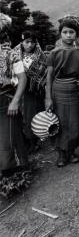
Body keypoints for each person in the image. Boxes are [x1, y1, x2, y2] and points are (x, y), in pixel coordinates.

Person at [45, 16, 79, 167]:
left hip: (75, 90)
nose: (68, 35)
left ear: (76, 34)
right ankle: (62, 154)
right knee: (60, 122)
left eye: (72, 32)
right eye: (65, 32)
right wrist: (48, 98)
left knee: (75, 122)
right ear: (60, 34)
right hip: (59, 90)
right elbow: (49, 76)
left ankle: (71, 151)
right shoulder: (54, 53)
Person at [0, 17, 28, 178]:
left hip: (5, 101)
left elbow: (22, 79)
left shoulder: (10, 54)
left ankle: (14, 177)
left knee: (9, 140)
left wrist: (15, 101)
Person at [12, 30, 47, 153]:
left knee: (35, 114)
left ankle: (36, 139)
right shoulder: (15, 55)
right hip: (21, 90)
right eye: (27, 42)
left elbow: (44, 70)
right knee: (24, 116)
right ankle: (28, 141)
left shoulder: (40, 55)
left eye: (32, 42)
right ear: (21, 42)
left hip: (37, 90)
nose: (30, 45)